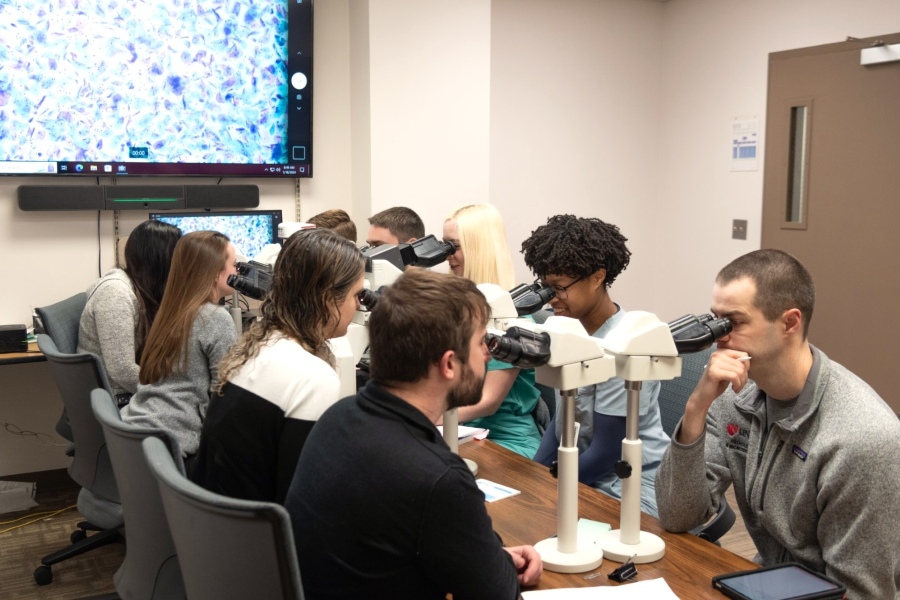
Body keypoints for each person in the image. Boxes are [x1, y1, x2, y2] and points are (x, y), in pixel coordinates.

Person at [655, 249, 900, 598]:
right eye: (714, 319)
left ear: (789, 323)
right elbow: (678, 516)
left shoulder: (861, 437)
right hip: (770, 581)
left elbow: (862, 593)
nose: (717, 336)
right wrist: (696, 406)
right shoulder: (730, 399)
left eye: (733, 323)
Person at [285, 268, 542, 599]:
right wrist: (496, 566)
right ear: (449, 364)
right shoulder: (438, 479)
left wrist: (488, 557)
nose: (488, 354)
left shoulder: (339, 417)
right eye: (481, 342)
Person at [191, 229, 366, 503]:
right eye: (357, 294)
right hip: (259, 538)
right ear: (327, 299)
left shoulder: (254, 347)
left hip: (213, 529)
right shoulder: (313, 377)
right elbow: (303, 499)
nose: (358, 304)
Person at [524, 214, 669, 517]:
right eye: (546, 288)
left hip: (629, 484)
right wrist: (529, 478)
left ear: (597, 277)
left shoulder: (626, 344)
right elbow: (560, 425)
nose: (552, 300)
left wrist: (546, 486)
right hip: (586, 473)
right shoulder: (568, 331)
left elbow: (607, 452)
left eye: (560, 287)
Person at [120, 231, 239, 467]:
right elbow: (222, 397)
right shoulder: (216, 318)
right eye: (234, 265)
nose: (237, 272)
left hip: (138, 431)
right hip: (177, 444)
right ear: (215, 273)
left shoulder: (170, 310)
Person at [442, 203, 542, 458]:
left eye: (454, 246)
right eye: (445, 245)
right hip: (459, 432)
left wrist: (429, 415)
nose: (447, 255)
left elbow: (488, 401)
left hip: (505, 441)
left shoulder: (511, 319)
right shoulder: (454, 309)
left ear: (478, 250)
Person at [78, 220, 182, 402]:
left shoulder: (139, 287)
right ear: (161, 260)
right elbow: (122, 370)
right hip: (115, 398)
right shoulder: (116, 294)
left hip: (126, 391)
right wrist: (169, 393)